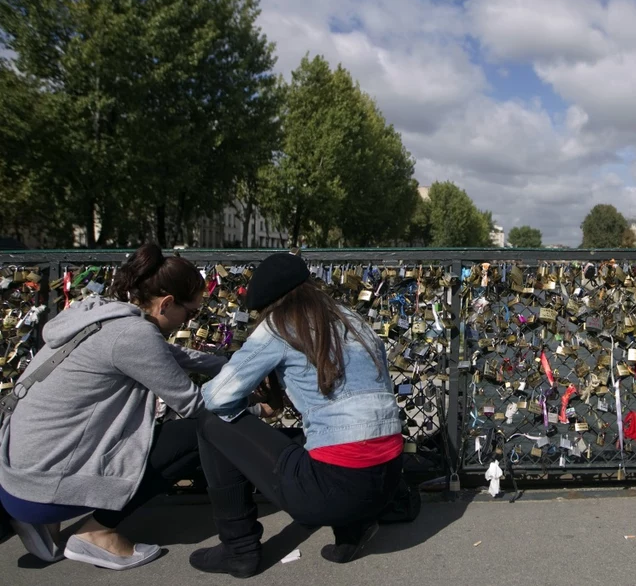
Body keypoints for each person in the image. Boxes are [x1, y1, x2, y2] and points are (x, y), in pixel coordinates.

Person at [0, 244, 234, 570]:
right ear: (167, 303)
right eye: (191, 313)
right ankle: (96, 533)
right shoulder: (134, 335)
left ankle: (40, 523)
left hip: (16, 479)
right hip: (42, 491)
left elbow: (171, 356)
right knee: (200, 432)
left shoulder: (99, 311)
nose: (190, 319)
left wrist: (228, 364)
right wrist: (253, 409)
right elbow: (193, 404)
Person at [190, 252, 403, 578]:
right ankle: (353, 531)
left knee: (211, 422)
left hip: (333, 491)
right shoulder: (351, 318)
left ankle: (239, 549)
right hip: (387, 480)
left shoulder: (279, 326)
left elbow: (218, 397)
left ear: (268, 306)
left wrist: (253, 409)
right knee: (338, 433)